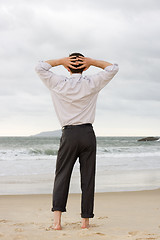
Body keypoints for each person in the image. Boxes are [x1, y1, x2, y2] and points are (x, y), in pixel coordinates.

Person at [35, 53, 119, 230]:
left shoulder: (58, 82)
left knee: (62, 176)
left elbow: (39, 67)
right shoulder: (92, 82)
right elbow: (113, 68)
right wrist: (93, 62)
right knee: (88, 178)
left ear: (67, 67)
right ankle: (85, 221)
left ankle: (57, 223)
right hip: (88, 133)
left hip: (69, 134)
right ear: (85, 67)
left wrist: (59, 61)